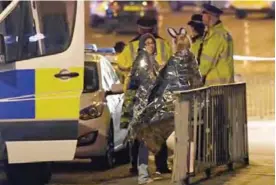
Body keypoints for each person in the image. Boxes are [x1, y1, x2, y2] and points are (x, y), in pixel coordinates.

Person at [119, 17, 173, 176]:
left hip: (138, 96)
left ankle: (136, 167)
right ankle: (161, 166)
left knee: (137, 132)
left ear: (139, 29)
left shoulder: (130, 47)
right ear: (154, 28)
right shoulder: (164, 45)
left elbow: (122, 65)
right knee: (158, 129)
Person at [127, 33, 159, 185]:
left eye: (152, 43)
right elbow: (142, 81)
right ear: (142, 45)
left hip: (148, 106)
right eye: (147, 43)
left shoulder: (151, 60)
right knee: (144, 142)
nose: (150, 45)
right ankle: (143, 176)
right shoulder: (143, 59)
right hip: (143, 107)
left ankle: (144, 174)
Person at [199, 3, 234, 86]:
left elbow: (206, 64)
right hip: (224, 83)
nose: (202, 17)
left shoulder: (216, 36)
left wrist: (192, 76)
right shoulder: (223, 32)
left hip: (216, 85)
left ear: (209, 16)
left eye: (203, 13)